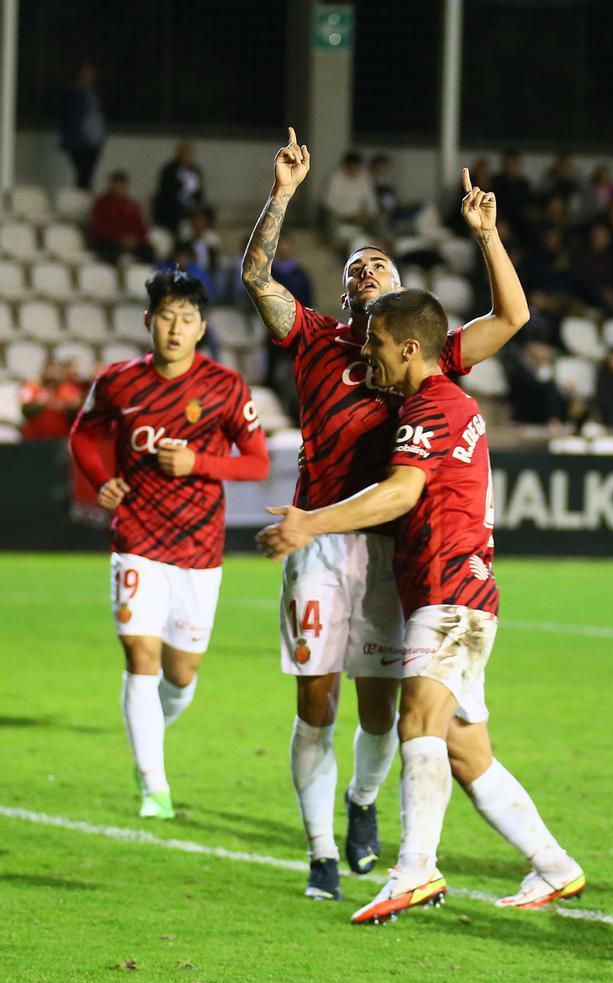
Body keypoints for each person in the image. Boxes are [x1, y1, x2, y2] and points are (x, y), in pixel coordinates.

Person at [241, 129, 570, 906]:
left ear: (399, 297)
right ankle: (324, 849)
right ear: (346, 291)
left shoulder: (428, 357)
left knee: (388, 704)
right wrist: (284, 193)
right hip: (322, 541)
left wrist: (488, 237)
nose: (364, 271)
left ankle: (365, 808)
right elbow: (255, 274)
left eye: (379, 265)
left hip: (397, 545)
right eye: (355, 268)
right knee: (317, 695)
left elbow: (513, 315)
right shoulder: (315, 337)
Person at [69, 271, 269, 819]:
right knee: (141, 656)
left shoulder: (226, 388)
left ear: (202, 327)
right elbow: (84, 434)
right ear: (148, 322)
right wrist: (101, 477)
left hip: (199, 550)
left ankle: (148, 735)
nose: (175, 329)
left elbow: (257, 462)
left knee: (180, 675)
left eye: (186, 319)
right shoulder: (118, 382)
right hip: (135, 539)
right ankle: (154, 786)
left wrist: (198, 462)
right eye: (166, 317)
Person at [90, 170, 155, 265]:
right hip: (109, 240)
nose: (119, 188)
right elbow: (99, 227)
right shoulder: (101, 203)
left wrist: (135, 239)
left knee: (148, 250)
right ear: (111, 186)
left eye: (122, 185)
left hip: (130, 241)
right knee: (112, 249)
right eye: (117, 185)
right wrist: (120, 237)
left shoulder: (131, 205)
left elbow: (141, 226)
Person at [59, 62, 106, 190]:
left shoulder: (95, 92)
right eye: (86, 74)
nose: (89, 77)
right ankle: (79, 200)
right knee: (82, 173)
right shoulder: (73, 93)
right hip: (79, 140)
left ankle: (84, 197)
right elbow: (70, 117)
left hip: (94, 140)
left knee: (88, 173)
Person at [153, 143, 206, 234]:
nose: (186, 157)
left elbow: (199, 193)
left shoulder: (195, 171)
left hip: (191, 207)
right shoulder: (169, 171)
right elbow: (166, 192)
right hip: (173, 207)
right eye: (184, 154)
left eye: (188, 154)